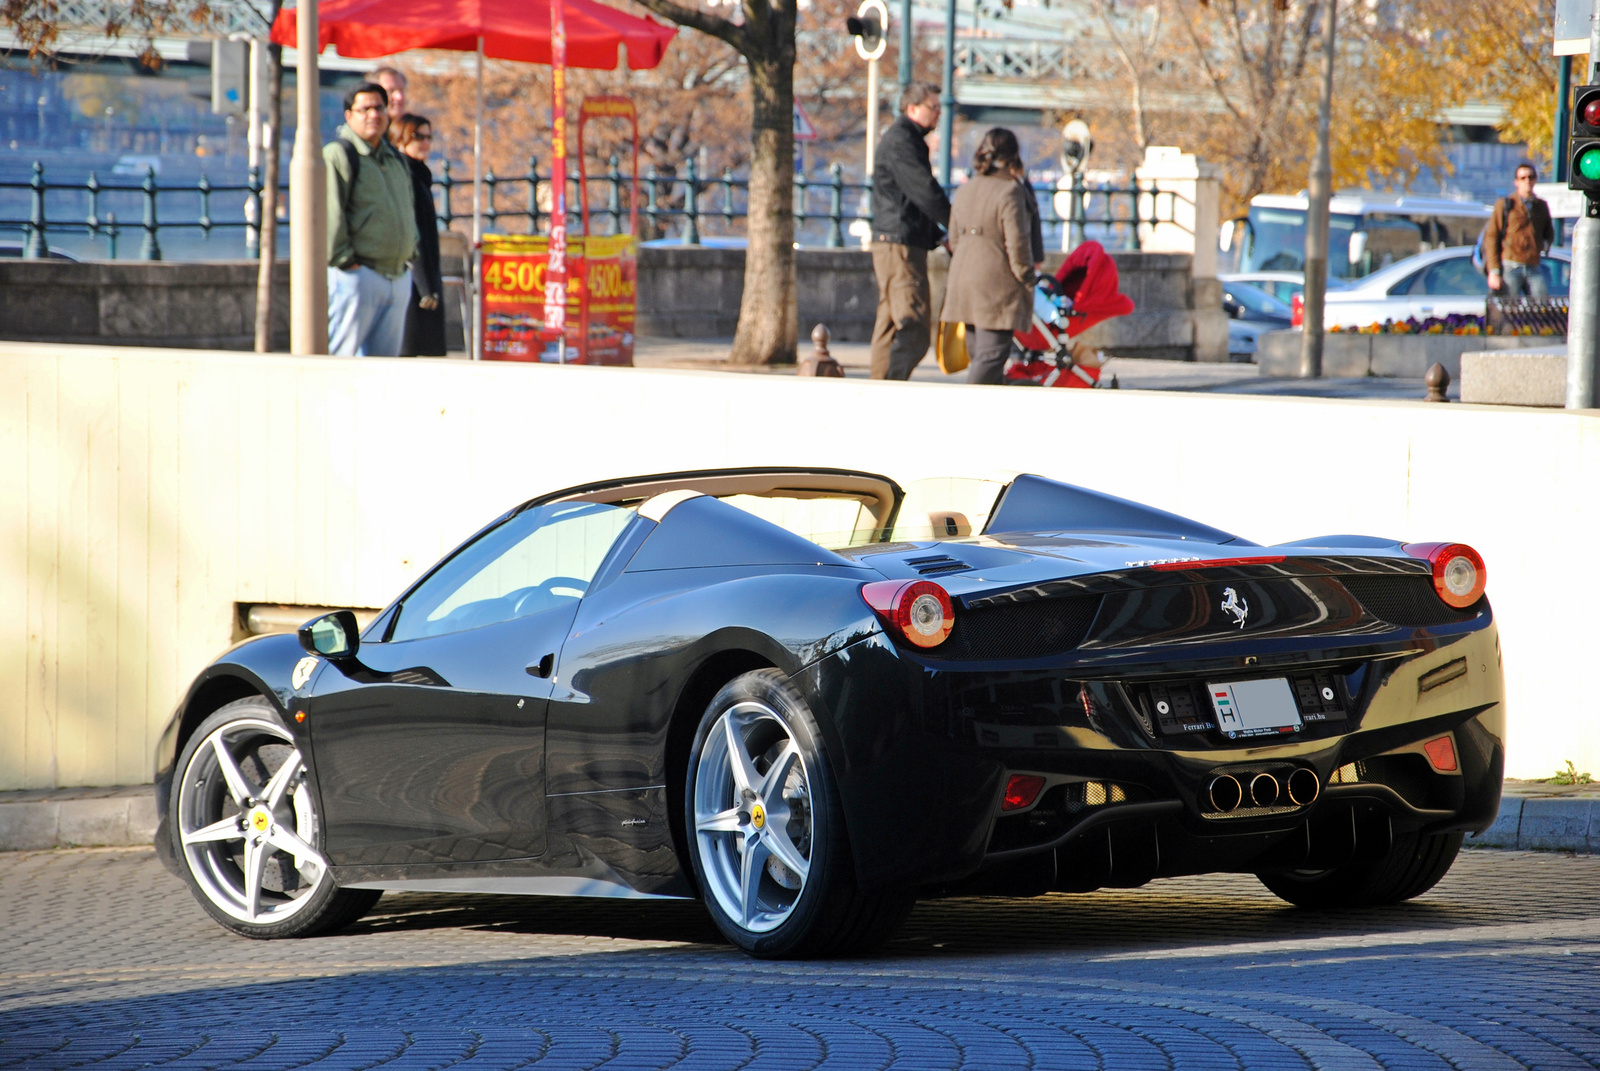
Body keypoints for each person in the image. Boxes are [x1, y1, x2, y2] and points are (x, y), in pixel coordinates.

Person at [324, 82, 420, 357]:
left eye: (379, 107)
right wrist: (346, 262)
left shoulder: (395, 159)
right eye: (364, 109)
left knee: (384, 370)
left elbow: (407, 208)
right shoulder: (340, 154)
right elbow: (332, 213)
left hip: (397, 275)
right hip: (359, 276)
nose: (373, 115)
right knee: (342, 360)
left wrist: (410, 252)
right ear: (348, 115)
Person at [940, 128, 1035, 385]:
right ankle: (967, 414)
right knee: (991, 357)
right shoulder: (1009, 190)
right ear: (1014, 155)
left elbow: (954, 239)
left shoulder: (966, 189)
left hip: (963, 279)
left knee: (979, 356)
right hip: (995, 282)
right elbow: (1017, 242)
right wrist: (1027, 277)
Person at [869, 83, 951, 380]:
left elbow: (910, 198)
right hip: (899, 245)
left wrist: (937, 235)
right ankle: (890, 389)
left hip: (896, 240)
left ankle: (878, 392)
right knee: (914, 325)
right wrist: (955, 224)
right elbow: (924, 191)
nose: (938, 113)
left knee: (890, 324)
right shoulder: (902, 141)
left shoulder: (906, 140)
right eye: (934, 107)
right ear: (912, 108)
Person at [392, 114, 447, 357]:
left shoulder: (419, 176)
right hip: (413, 277)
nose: (425, 142)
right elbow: (414, 234)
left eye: (428, 137)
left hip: (422, 277)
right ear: (400, 139)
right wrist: (426, 284)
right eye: (418, 136)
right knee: (411, 348)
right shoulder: (407, 177)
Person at [1484, 162, 1555, 299]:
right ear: (1516, 182)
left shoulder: (1541, 206)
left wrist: (1542, 246)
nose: (1527, 181)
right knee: (1509, 309)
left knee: (1542, 308)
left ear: (1535, 179)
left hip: (1533, 265)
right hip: (1510, 265)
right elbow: (1491, 237)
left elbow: (1549, 233)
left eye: (1530, 177)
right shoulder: (1505, 205)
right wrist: (1494, 271)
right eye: (1522, 178)